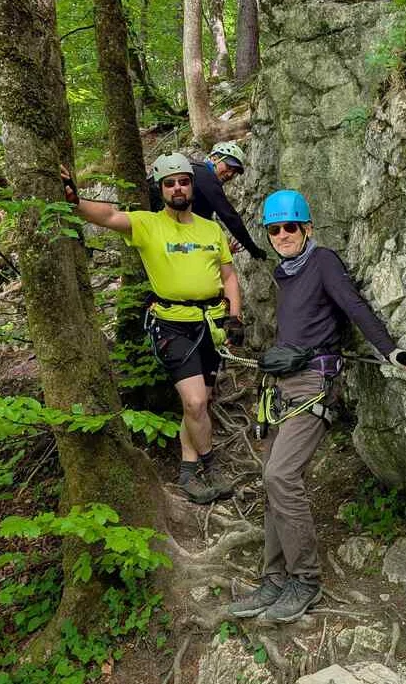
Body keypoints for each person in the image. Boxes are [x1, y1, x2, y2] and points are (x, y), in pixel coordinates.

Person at [225, 190, 406, 623]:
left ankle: (305, 580)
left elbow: (354, 306)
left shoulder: (322, 261)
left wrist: (391, 351)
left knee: (281, 473)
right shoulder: (285, 273)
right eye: (274, 229)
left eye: (290, 227)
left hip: (315, 384)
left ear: (306, 227)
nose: (281, 235)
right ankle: (274, 579)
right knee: (271, 477)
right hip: (283, 385)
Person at [61, 153, 243, 505]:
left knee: (200, 404)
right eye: (170, 183)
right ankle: (211, 466)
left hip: (210, 325)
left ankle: (188, 472)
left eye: (183, 181)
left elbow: (229, 275)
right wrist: (75, 200)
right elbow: (110, 216)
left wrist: (235, 316)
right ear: (161, 189)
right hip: (171, 326)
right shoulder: (148, 224)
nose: (178, 187)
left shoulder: (210, 229)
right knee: (194, 402)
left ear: (192, 185)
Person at [147, 141, 268, 260]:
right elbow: (229, 215)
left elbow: (202, 217)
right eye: (229, 167)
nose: (230, 174)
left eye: (235, 172)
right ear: (214, 158)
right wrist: (253, 250)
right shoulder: (205, 175)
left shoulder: (196, 172)